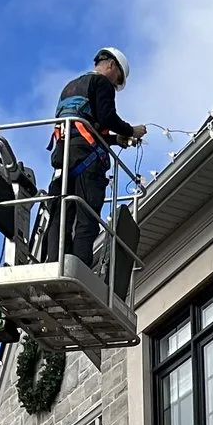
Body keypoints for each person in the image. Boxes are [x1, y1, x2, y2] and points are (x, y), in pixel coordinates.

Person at [50, 46, 144, 267]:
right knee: (87, 217)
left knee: (60, 215)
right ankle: (79, 266)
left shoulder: (71, 86)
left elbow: (85, 125)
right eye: (117, 79)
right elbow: (107, 116)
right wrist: (130, 130)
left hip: (64, 157)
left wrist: (115, 140)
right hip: (87, 161)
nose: (115, 85)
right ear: (111, 65)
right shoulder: (101, 83)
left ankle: (54, 262)